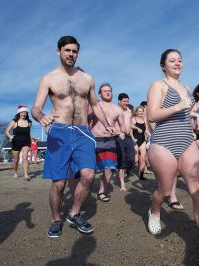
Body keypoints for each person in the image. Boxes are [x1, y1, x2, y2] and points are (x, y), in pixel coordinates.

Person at [146, 49, 199, 255]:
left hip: (186, 140)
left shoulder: (186, 88)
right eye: (172, 60)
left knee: (198, 191)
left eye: (180, 60)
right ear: (163, 66)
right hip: (163, 142)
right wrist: (179, 106)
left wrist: (196, 121)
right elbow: (152, 115)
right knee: (165, 191)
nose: (177, 63)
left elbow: (187, 114)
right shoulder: (158, 85)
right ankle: (155, 210)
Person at [31, 36, 114, 238]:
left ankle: (74, 213)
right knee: (59, 184)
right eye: (67, 50)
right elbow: (36, 107)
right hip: (59, 131)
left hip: (82, 131)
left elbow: (94, 105)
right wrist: (41, 117)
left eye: (75, 51)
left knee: (88, 175)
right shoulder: (48, 78)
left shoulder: (87, 79)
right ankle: (56, 219)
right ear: (58, 51)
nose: (71, 54)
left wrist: (107, 124)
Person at [90, 83, 125, 202]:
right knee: (90, 169)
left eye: (109, 90)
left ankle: (101, 192)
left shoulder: (117, 109)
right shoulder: (95, 106)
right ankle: (85, 189)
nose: (107, 92)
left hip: (110, 141)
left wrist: (119, 131)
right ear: (99, 93)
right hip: (95, 139)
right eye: (104, 91)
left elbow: (123, 127)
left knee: (109, 168)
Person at [5, 105, 32, 180]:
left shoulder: (29, 122)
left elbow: (29, 133)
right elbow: (6, 131)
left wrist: (31, 140)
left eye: (25, 113)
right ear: (19, 113)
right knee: (16, 160)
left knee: (25, 157)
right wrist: (10, 136)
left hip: (26, 142)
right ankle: (15, 172)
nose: (24, 114)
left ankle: (26, 175)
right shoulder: (14, 122)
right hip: (16, 142)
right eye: (22, 112)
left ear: (27, 114)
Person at [116, 93, 135, 191]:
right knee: (122, 160)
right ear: (119, 101)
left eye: (127, 101)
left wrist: (132, 136)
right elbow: (112, 122)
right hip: (119, 136)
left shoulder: (129, 111)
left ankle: (122, 171)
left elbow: (130, 124)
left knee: (132, 158)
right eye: (124, 101)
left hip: (128, 137)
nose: (126, 103)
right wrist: (118, 132)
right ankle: (122, 184)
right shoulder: (116, 110)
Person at [131, 106, 149, 180]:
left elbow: (146, 130)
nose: (141, 112)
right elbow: (130, 128)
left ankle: (141, 175)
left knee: (142, 158)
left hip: (142, 141)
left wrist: (151, 135)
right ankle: (129, 170)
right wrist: (132, 138)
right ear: (136, 112)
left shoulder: (144, 120)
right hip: (135, 140)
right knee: (135, 160)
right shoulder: (133, 119)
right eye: (139, 111)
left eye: (142, 111)